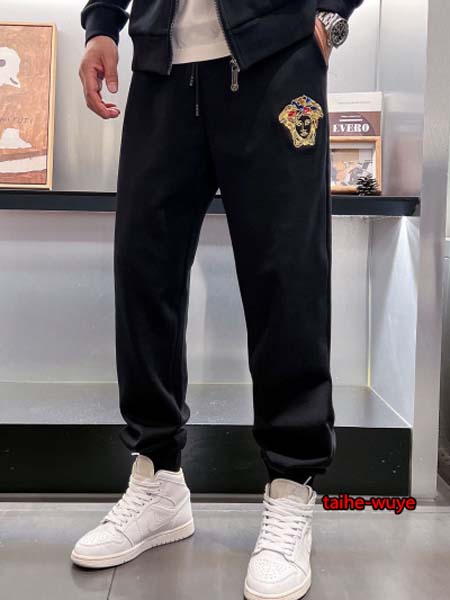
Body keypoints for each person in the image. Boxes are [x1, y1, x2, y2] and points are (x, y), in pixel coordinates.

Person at [73, 1, 363, 598]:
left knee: (286, 276)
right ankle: (158, 478)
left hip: (275, 60)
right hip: (162, 66)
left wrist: (333, 14)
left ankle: (291, 486)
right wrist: (102, 24)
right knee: (143, 270)